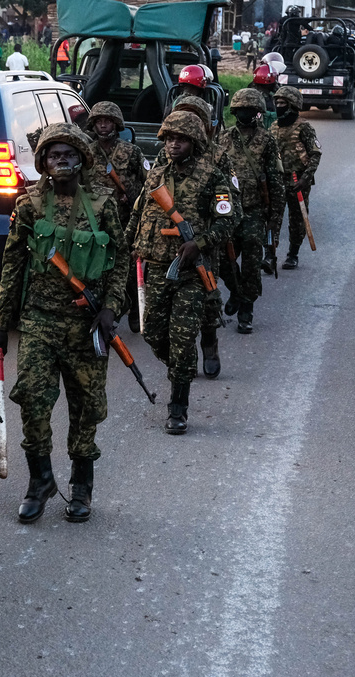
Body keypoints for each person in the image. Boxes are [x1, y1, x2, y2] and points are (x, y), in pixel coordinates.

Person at [0, 123, 128, 524]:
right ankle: (41, 481)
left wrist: (110, 310)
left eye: (68, 154)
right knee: (32, 399)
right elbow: (12, 264)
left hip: (86, 326)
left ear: (82, 159)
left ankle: (81, 488)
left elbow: (118, 262)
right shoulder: (29, 205)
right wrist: (1, 321)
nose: (61, 160)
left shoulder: (103, 204)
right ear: (43, 163)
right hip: (38, 322)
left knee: (86, 408)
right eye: (53, 155)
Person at [125, 111, 236, 435]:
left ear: (194, 142)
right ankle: (180, 367)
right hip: (157, 267)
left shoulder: (212, 176)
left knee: (184, 340)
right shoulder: (157, 171)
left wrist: (199, 243)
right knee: (154, 335)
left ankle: (178, 409)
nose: (174, 144)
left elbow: (228, 220)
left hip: (191, 272)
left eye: (181, 139)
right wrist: (128, 243)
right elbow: (140, 210)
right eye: (170, 138)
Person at [217, 88, 285, 334]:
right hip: (227, 211)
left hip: (255, 211)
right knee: (223, 260)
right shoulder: (222, 139)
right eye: (241, 109)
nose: (245, 113)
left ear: (257, 112)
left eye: (250, 109)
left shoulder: (267, 140)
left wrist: (274, 223)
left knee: (252, 262)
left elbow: (276, 181)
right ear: (234, 111)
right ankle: (236, 291)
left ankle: (247, 307)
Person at [85, 101, 147, 331]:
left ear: (116, 124)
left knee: (128, 268)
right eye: (99, 121)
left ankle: (132, 306)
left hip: (125, 220)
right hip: (95, 221)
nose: (103, 126)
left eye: (107, 121)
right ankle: (109, 309)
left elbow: (148, 184)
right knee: (99, 268)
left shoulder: (131, 152)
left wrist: (131, 198)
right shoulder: (87, 152)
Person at [271, 85, 321, 270]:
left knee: (297, 218)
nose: (278, 105)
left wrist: (305, 179)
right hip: (277, 180)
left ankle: (293, 254)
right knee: (273, 217)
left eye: (283, 103)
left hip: (297, 180)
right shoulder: (274, 126)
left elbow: (315, 154)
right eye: (277, 102)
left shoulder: (304, 127)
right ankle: (270, 253)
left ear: (292, 105)